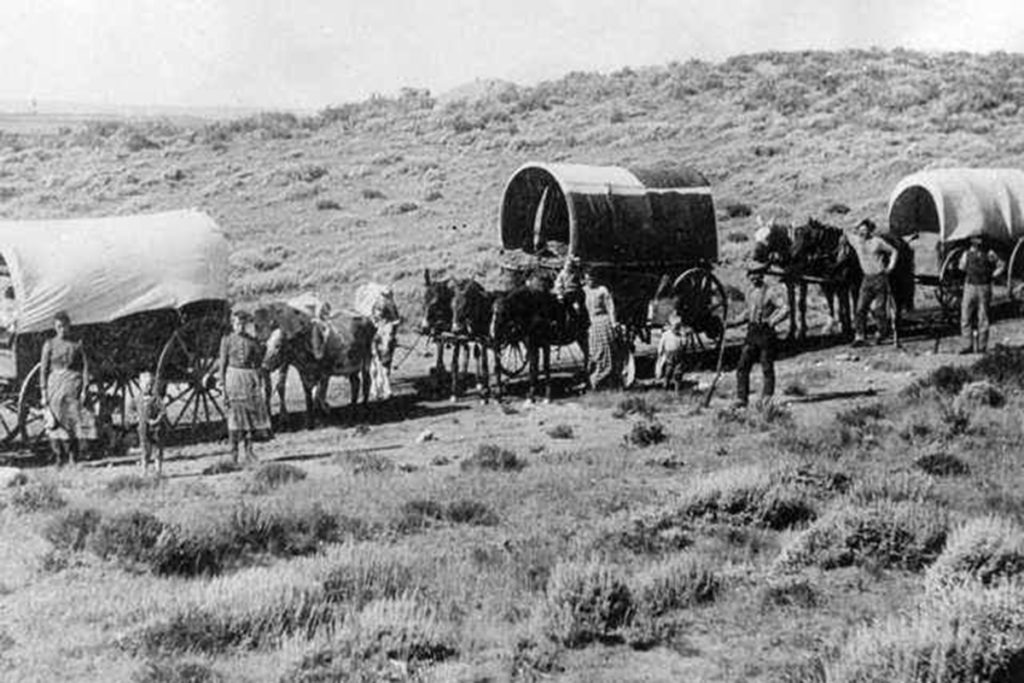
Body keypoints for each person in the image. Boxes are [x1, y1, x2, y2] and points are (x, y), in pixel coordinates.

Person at [39, 311, 95, 465]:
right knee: (55, 422)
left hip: (73, 385)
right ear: (55, 327)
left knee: (72, 420)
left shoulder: (77, 344)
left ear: (69, 326)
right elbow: (43, 370)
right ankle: (59, 456)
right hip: (54, 386)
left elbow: (85, 367)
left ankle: (73, 457)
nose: (62, 329)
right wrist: (44, 392)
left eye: (65, 326)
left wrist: (85, 388)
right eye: (59, 326)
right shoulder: (49, 344)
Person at [219, 308, 272, 463]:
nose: (240, 327)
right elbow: (222, 363)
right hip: (233, 379)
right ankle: (233, 454)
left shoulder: (252, 341)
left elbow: (258, 361)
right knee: (234, 417)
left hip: (248, 379)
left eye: (242, 324)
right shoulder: (227, 340)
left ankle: (249, 451)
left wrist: (258, 379)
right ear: (233, 324)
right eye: (237, 324)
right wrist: (223, 385)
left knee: (250, 416)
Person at [733, 268, 786, 408]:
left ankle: (767, 399)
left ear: (761, 276)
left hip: (765, 333)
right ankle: (741, 398)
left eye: (756, 274)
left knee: (767, 366)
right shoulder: (750, 292)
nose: (753, 277)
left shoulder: (771, 292)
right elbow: (748, 312)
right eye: (750, 274)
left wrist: (773, 320)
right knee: (742, 365)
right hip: (752, 332)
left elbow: (785, 308)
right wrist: (732, 322)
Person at [847, 218, 897, 346]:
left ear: (870, 231)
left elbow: (894, 251)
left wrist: (891, 266)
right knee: (860, 308)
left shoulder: (877, 242)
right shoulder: (856, 241)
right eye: (860, 231)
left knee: (879, 309)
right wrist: (857, 224)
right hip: (867, 279)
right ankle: (860, 336)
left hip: (880, 278)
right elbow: (846, 232)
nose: (863, 233)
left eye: (865, 230)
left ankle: (882, 333)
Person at [957, 235, 1005, 354]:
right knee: (966, 316)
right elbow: (961, 267)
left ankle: (981, 347)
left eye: (978, 241)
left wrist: (993, 275)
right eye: (975, 241)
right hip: (971, 286)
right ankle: (968, 345)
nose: (977, 244)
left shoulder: (989, 253)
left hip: (983, 286)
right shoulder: (967, 253)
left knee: (982, 317)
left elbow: (1002, 265)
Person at [583, 268, 620, 390]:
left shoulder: (602, 290)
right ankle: (594, 379)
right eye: (586, 279)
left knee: (606, 351)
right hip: (592, 323)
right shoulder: (584, 290)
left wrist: (614, 323)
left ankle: (605, 381)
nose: (588, 281)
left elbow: (610, 307)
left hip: (603, 321)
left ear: (595, 278)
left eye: (591, 278)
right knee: (594, 353)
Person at [135, 371, 166, 475]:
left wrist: (156, 420)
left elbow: (163, 411)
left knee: (157, 449)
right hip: (143, 429)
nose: (148, 387)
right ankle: (144, 471)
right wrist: (135, 417)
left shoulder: (155, 398)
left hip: (156, 428)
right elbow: (131, 409)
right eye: (146, 385)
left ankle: (158, 471)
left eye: (150, 385)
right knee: (145, 450)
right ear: (140, 385)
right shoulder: (138, 399)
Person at [655, 313, 686, 391]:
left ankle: (677, 388)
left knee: (678, 373)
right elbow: (661, 344)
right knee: (668, 371)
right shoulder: (666, 334)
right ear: (670, 326)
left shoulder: (680, 335)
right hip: (669, 355)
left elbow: (684, 344)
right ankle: (666, 386)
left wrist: (684, 339)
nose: (676, 329)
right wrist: (660, 352)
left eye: (678, 327)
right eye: (674, 326)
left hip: (678, 355)